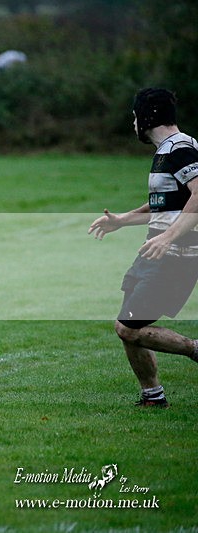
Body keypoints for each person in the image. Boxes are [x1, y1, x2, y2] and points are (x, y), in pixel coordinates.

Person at [88, 88, 198, 407]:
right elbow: (164, 204)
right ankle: (152, 395)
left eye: (135, 116)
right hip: (155, 252)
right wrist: (123, 220)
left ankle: (193, 349)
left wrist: (167, 238)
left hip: (175, 255)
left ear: (147, 117)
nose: (133, 123)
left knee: (128, 327)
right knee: (129, 321)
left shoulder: (180, 148)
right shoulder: (167, 150)